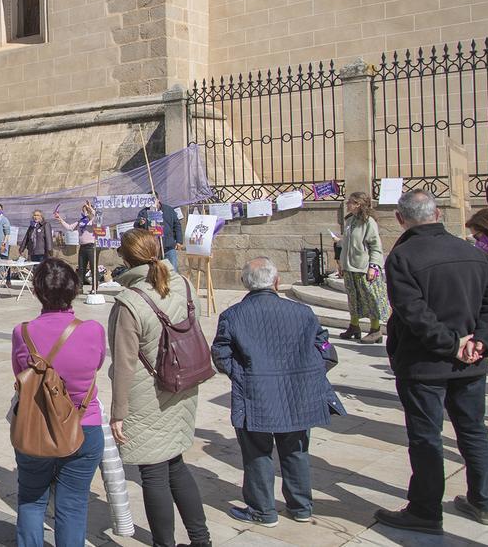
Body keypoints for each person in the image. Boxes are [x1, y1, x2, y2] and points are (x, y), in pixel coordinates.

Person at [374, 190, 488, 533]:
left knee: (427, 437)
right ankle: (484, 500)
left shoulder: (402, 256)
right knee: (473, 431)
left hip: (425, 363)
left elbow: (413, 313)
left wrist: (454, 345)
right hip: (469, 360)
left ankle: (425, 510)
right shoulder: (473, 252)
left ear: (400, 219)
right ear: (438, 214)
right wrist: (478, 343)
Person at [212, 257, 346, 527]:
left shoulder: (233, 315)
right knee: (296, 450)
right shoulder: (302, 312)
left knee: (257, 453)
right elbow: (325, 349)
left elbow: (220, 355)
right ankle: (300, 507)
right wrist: (308, 372)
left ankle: (263, 510)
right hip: (296, 393)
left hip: (256, 393)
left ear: (245, 284)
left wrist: (243, 375)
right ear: (276, 282)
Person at [108, 228, 211, 547]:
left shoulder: (130, 301)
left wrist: (118, 413)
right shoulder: (181, 283)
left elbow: (124, 364)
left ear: (125, 259)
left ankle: (163, 543)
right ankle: (200, 539)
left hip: (148, 393)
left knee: (153, 473)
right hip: (182, 383)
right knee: (175, 463)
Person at [11, 258, 106, 546]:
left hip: (35, 424)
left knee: (31, 499)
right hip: (83, 426)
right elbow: (97, 364)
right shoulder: (93, 330)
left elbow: (20, 375)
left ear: (37, 292)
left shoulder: (22, 332)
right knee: (73, 504)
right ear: (74, 290)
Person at [336, 191, 389, 344]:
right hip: (349, 267)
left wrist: (373, 266)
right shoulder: (350, 221)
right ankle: (354, 327)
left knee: (370, 299)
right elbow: (347, 243)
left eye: (350, 202)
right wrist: (342, 263)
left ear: (358, 204)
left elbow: (375, 245)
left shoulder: (368, 222)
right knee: (353, 298)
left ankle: (375, 330)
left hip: (364, 267)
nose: (347, 205)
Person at [134, 198, 184, 272]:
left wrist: (179, 241)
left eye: (153, 201)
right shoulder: (143, 212)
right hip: (153, 249)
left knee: (172, 271)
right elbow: (136, 227)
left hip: (168, 247)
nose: (152, 203)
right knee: (156, 272)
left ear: (158, 200)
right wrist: (140, 223)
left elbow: (177, 225)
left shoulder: (169, 210)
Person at [55, 202, 98, 286]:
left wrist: (90, 208)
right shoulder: (80, 221)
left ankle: (94, 287)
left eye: (86, 210)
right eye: (83, 210)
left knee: (93, 268)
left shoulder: (93, 220)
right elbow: (69, 227)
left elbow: (97, 216)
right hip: (82, 246)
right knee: (81, 268)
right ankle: (80, 287)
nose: (84, 212)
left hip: (91, 247)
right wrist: (60, 220)